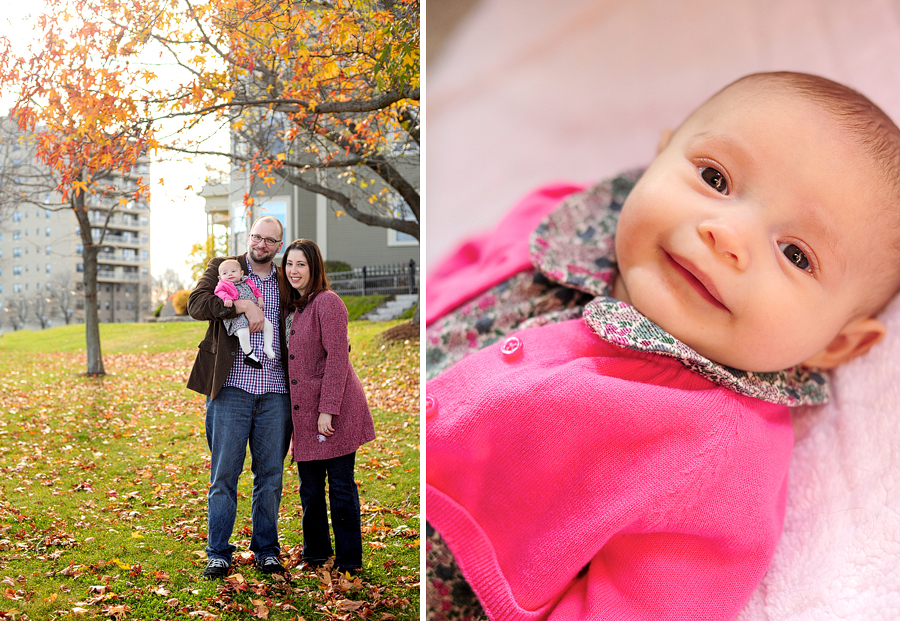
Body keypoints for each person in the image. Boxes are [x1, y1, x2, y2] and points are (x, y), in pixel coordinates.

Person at [425, 72, 900, 620]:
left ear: (837, 343)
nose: (726, 233)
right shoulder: (557, 218)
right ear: (660, 155)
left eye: (795, 254)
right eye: (716, 179)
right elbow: (460, 276)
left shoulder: (722, 450)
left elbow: (649, 605)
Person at [187, 216, 293, 579]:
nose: (261, 244)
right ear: (249, 237)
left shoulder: (286, 278)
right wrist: (241, 306)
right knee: (224, 475)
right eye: (256, 237)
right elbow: (197, 305)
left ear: (279, 245)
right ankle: (218, 552)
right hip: (231, 388)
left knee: (271, 476)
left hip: (276, 393)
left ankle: (266, 550)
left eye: (269, 240)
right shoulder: (224, 268)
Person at [281, 238, 375, 575]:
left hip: (334, 410)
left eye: (301, 264)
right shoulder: (292, 308)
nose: (294, 270)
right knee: (309, 488)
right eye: (289, 264)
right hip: (302, 413)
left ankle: (350, 559)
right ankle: (316, 553)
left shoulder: (328, 303)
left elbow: (338, 358)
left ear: (314, 267)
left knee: (339, 486)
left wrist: (328, 409)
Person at [214, 258, 277, 369]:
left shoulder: (248, 281)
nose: (229, 274)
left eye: (233, 271)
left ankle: (268, 346)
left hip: (255, 314)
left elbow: (256, 290)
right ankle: (249, 354)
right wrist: (226, 298)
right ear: (220, 277)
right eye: (225, 273)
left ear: (241, 273)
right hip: (237, 317)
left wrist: (260, 299)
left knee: (269, 325)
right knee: (243, 332)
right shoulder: (223, 285)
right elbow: (219, 292)